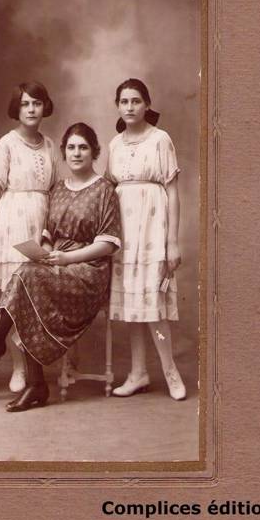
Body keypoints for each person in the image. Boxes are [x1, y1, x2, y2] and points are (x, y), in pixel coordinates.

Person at [0, 123, 121, 412]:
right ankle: (33, 382)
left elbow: (108, 244)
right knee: (29, 274)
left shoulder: (105, 190)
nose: (76, 153)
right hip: (57, 265)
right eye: (71, 148)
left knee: (28, 277)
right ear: (64, 153)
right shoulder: (58, 189)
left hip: (88, 270)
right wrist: (45, 253)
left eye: (83, 147)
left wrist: (67, 259)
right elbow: (48, 234)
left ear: (94, 152)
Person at [107, 78, 186, 400]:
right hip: (125, 233)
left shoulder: (160, 139)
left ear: (147, 105)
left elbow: (173, 192)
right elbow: (109, 191)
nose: (130, 107)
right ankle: (138, 373)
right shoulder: (114, 144)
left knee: (153, 305)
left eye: (136, 101)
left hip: (153, 229)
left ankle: (170, 371)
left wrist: (172, 241)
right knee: (133, 305)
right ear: (117, 106)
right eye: (124, 101)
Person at [0, 82, 59, 393]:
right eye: (26, 103)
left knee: (36, 296)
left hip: (41, 221)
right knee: (13, 295)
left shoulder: (50, 145)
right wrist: (7, 225)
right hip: (12, 223)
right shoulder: (7, 144)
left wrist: (47, 230)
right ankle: (18, 368)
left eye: (37, 103)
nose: (31, 109)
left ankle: (34, 366)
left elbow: (54, 190)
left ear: (45, 107)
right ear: (17, 108)